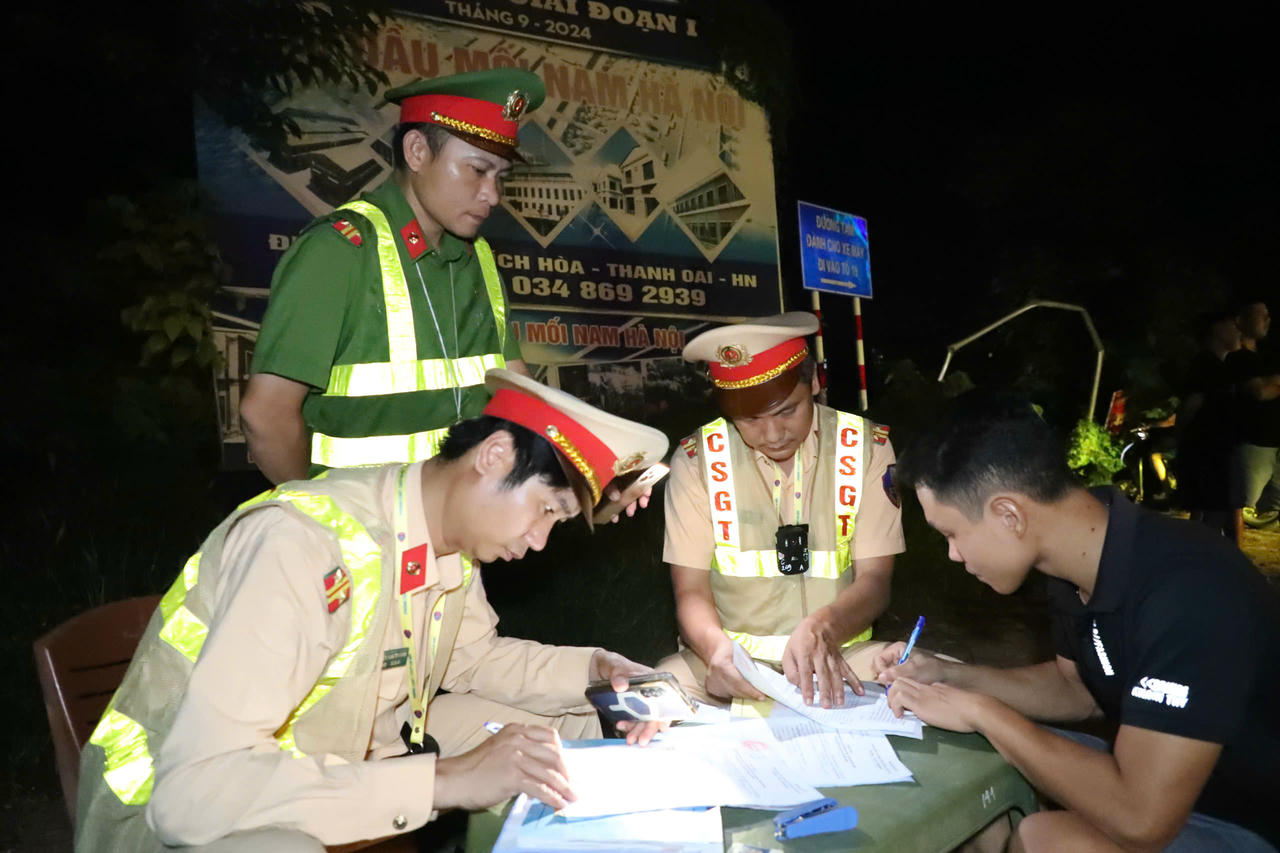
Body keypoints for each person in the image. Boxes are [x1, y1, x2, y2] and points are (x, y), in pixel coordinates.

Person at [76, 369, 671, 852]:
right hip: (166, 815)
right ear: (493, 455)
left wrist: (593, 672)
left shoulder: (444, 537)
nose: (540, 540)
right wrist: (446, 781)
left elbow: (474, 659)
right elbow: (192, 795)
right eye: (546, 508)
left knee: (550, 747)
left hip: (328, 752)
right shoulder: (302, 545)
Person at [876, 390, 1280, 852]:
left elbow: (1141, 818)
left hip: (1249, 820)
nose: (953, 554)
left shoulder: (1189, 591)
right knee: (976, 770)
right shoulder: (1079, 563)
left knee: (1046, 839)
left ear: (1009, 515)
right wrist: (952, 676)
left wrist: (982, 712)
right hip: (1177, 791)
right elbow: (1078, 688)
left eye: (952, 533)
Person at [241, 69, 543, 484]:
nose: (493, 195)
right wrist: (318, 518)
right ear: (417, 151)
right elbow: (266, 416)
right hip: (357, 541)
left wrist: (595, 469)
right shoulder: (338, 252)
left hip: (453, 535)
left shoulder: (478, 260)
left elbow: (515, 387)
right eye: (477, 170)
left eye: (500, 177)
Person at [658, 312, 904, 709]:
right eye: (750, 419)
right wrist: (716, 652)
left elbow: (876, 580)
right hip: (732, 665)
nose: (772, 435)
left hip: (838, 654)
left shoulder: (865, 448)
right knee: (653, 696)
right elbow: (690, 589)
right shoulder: (697, 460)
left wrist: (825, 628)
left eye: (787, 411)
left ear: (815, 383)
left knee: (917, 678)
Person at [1175, 310, 1241, 541]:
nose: (1238, 330)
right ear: (1217, 330)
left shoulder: (1217, 365)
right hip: (1209, 454)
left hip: (1213, 453)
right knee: (1212, 517)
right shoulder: (1207, 365)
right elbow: (1190, 407)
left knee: (1209, 515)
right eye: (1232, 325)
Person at [1225, 298, 1280, 531]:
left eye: (1268, 315)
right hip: (1253, 441)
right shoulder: (1237, 358)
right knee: (1240, 503)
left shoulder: (1264, 357)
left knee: (1271, 507)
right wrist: (1270, 385)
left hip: (1273, 441)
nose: (1267, 320)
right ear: (1240, 320)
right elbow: (1261, 392)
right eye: (1261, 315)